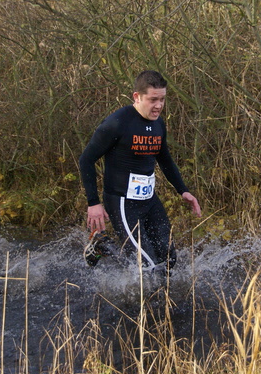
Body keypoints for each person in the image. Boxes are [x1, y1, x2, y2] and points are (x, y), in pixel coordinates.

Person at [79, 70, 201, 272]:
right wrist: (93, 203)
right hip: (122, 203)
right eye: (153, 100)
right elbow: (86, 160)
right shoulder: (117, 123)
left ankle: (105, 245)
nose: (159, 106)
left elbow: (165, 159)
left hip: (149, 201)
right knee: (147, 267)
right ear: (137, 97)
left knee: (169, 261)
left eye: (162, 99)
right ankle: (102, 245)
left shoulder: (158, 123)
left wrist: (183, 190)